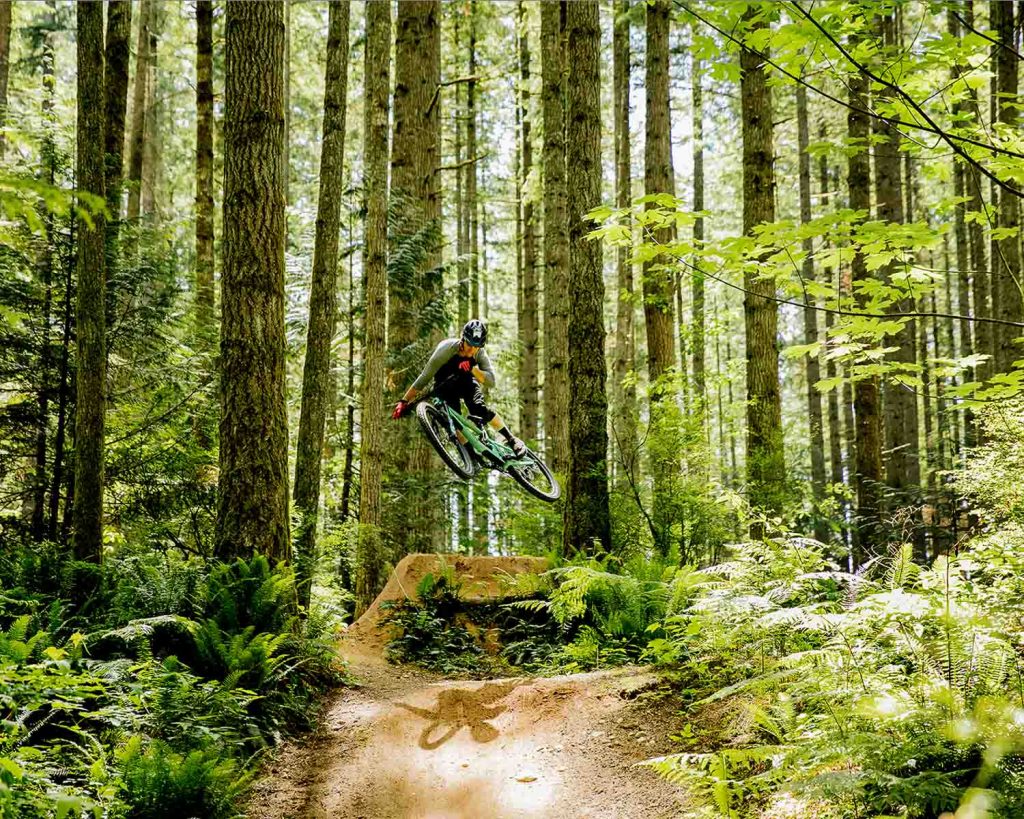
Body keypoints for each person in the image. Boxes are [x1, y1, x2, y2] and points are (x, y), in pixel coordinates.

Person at [391, 319, 528, 459]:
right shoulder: (446, 350)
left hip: (467, 383)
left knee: (479, 409)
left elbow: (491, 381)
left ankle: (511, 439)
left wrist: (474, 370)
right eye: (469, 344)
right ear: (463, 339)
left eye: (476, 346)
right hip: (444, 386)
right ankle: (470, 457)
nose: (471, 349)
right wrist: (404, 400)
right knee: (454, 422)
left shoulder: (479, 353)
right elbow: (424, 377)